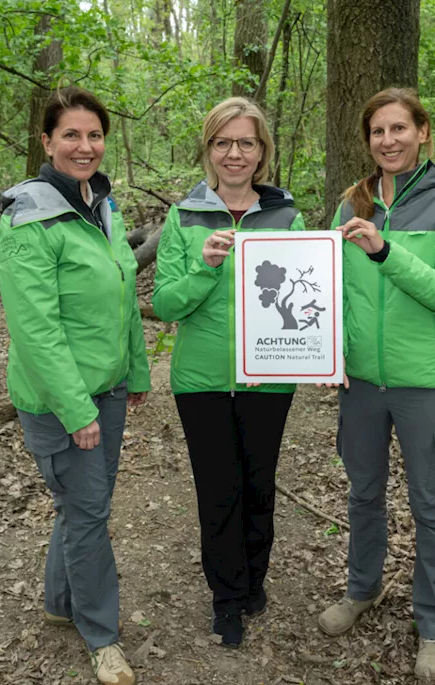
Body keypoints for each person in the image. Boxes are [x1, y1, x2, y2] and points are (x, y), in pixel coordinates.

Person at [317, 88, 435, 682]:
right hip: (360, 384)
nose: (387, 141)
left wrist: (387, 251)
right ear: (367, 140)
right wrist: (325, 354)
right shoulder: (351, 203)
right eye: (377, 132)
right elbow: (328, 291)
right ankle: (362, 590)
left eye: (398, 129)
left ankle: (433, 624)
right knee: (363, 494)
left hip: (425, 386)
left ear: (423, 132)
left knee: (431, 506)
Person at [0, 87, 150, 685]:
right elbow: (36, 330)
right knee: (89, 514)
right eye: (72, 136)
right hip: (62, 403)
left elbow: (122, 300)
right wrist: (76, 409)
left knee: (82, 507)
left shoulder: (100, 206)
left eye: (94, 135)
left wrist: (135, 372)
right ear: (47, 142)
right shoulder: (26, 222)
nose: (85, 147)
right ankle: (102, 636)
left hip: (106, 391)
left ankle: (60, 601)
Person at [151, 97, 305, 648]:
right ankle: (226, 598)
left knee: (259, 483)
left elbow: (309, 294)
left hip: (271, 376)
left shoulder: (288, 216)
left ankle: (255, 578)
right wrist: (204, 266)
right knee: (218, 490)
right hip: (203, 382)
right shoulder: (183, 216)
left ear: (262, 151)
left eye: (246, 143)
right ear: (208, 150)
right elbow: (166, 304)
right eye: (223, 143)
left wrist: (324, 356)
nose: (234, 153)